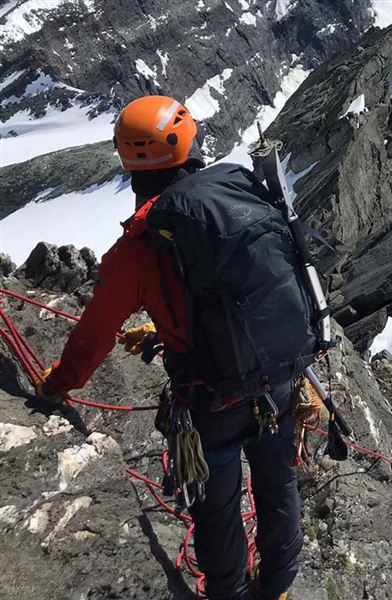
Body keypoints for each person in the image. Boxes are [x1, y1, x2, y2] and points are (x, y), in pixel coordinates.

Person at [34, 95, 307, 600]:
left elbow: (94, 334)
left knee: (217, 505)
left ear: (129, 160)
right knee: (277, 482)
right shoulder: (239, 189)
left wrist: (56, 385)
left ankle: (231, 593)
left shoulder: (139, 245)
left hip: (213, 396)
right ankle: (281, 587)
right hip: (281, 376)